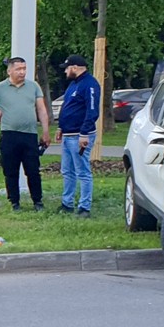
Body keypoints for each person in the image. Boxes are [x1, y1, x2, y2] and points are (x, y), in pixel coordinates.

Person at [0, 57, 52, 210]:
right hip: (9, 135)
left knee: (33, 170)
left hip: (29, 134)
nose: (22, 72)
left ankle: (37, 201)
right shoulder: (0, 88)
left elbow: (41, 109)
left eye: (24, 68)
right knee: (11, 170)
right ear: (9, 71)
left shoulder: (33, 86)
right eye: (18, 69)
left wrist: (45, 131)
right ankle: (14, 202)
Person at [55, 54, 101, 215]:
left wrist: (84, 133)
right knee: (67, 170)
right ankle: (67, 203)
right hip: (68, 134)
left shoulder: (89, 85)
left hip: (79, 135)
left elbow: (92, 110)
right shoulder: (73, 84)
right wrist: (61, 126)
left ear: (75, 68)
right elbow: (67, 106)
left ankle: (84, 206)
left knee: (82, 171)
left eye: (67, 68)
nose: (65, 71)